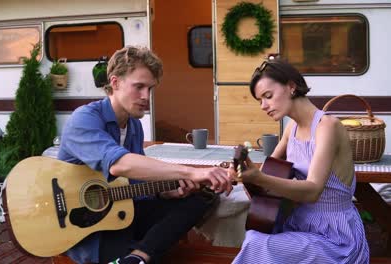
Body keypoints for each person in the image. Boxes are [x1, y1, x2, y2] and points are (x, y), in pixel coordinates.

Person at [58, 45, 233, 264]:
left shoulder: (133, 126)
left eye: (150, 88)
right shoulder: (85, 118)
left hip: (121, 212)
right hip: (86, 225)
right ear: (115, 82)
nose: (146, 96)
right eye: (139, 87)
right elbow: (119, 165)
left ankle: (138, 257)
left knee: (202, 197)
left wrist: (164, 192)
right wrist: (191, 172)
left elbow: (133, 180)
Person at [229, 58, 369, 263]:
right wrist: (240, 172)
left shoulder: (327, 126)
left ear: (291, 87)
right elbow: (266, 176)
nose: (263, 106)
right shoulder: (290, 129)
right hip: (299, 224)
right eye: (260, 100)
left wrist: (258, 177)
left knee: (257, 243)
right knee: (256, 238)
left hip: (334, 236)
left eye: (268, 96)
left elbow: (312, 191)